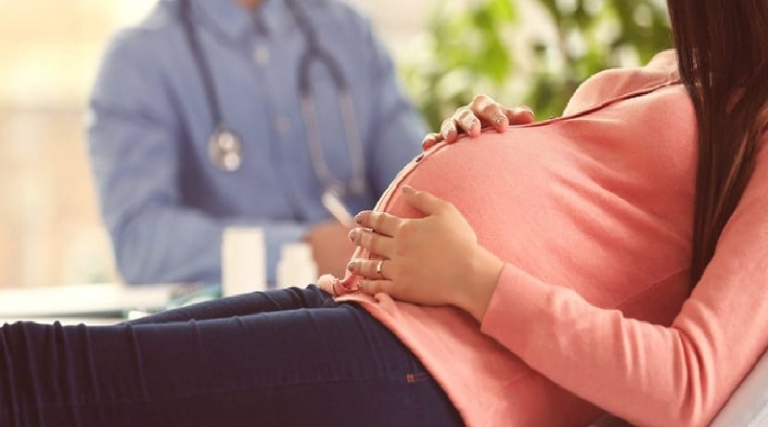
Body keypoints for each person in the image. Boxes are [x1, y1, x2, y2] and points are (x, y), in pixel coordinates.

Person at [3, 1, 767, 426]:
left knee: (49, 375)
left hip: (434, 366)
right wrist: (490, 141)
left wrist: (475, 276)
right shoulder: (678, 74)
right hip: (372, 308)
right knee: (44, 370)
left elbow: (686, 382)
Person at [87, 0, 429, 284]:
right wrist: (301, 249)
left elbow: (424, 190)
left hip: (375, 309)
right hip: (237, 327)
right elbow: (139, 241)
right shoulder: (137, 61)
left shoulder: (350, 33)